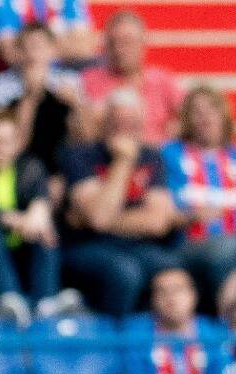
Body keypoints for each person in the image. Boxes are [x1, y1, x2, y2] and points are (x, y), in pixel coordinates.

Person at [60, 90, 180, 317]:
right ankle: (114, 342)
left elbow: (157, 222)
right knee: (125, 273)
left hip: (137, 245)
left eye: (131, 121)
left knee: (173, 269)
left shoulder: (151, 157)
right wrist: (123, 161)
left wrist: (99, 219)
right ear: (105, 122)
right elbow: (99, 218)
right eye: (117, 120)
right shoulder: (80, 156)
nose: (124, 127)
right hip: (87, 246)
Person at [0, 109, 67, 325]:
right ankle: (10, 298)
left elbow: (41, 204)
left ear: (17, 143)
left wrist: (35, 219)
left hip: (26, 244)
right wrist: (22, 221)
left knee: (47, 230)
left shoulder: (31, 168)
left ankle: (46, 300)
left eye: (5, 141)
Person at [163, 86, 236, 309]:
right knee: (228, 247)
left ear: (223, 115)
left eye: (211, 109)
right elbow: (161, 210)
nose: (205, 117)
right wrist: (187, 216)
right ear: (186, 119)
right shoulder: (170, 154)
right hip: (188, 245)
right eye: (196, 111)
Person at [0, 21, 75, 172]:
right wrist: (30, 97)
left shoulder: (69, 82)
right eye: (26, 48)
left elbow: (85, 138)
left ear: (52, 50)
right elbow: (9, 144)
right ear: (17, 52)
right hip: (17, 165)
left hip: (61, 163)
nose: (32, 54)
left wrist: (75, 105)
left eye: (39, 47)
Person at [82, 12, 180, 144]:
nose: (119, 49)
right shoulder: (88, 80)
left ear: (142, 43)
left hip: (155, 155)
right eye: (113, 42)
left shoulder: (162, 81)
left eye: (126, 42)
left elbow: (186, 119)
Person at [0, 0, 96, 71]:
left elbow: (84, 47)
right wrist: (63, 41)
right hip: (15, 82)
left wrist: (31, 49)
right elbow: (10, 53)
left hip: (65, 76)